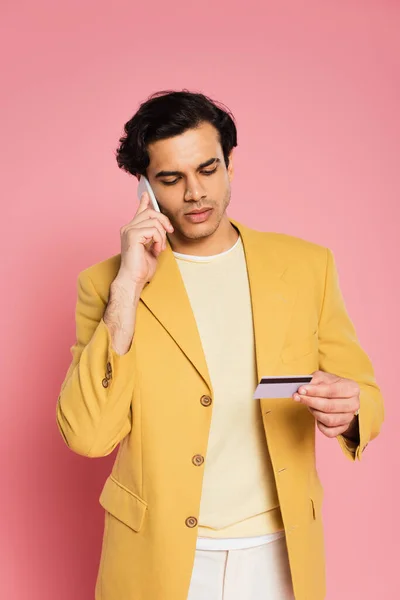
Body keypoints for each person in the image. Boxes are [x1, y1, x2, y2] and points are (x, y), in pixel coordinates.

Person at [56, 90, 384, 600]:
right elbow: (87, 435)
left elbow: (363, 390)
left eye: (208, 169)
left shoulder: (306, 266)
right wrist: (128, 287)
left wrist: (352, 409)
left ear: (230, 163)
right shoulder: (106, 285)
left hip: (279, 551)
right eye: (171, 178)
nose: (194, 193)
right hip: (159, 555)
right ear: (144, 186)